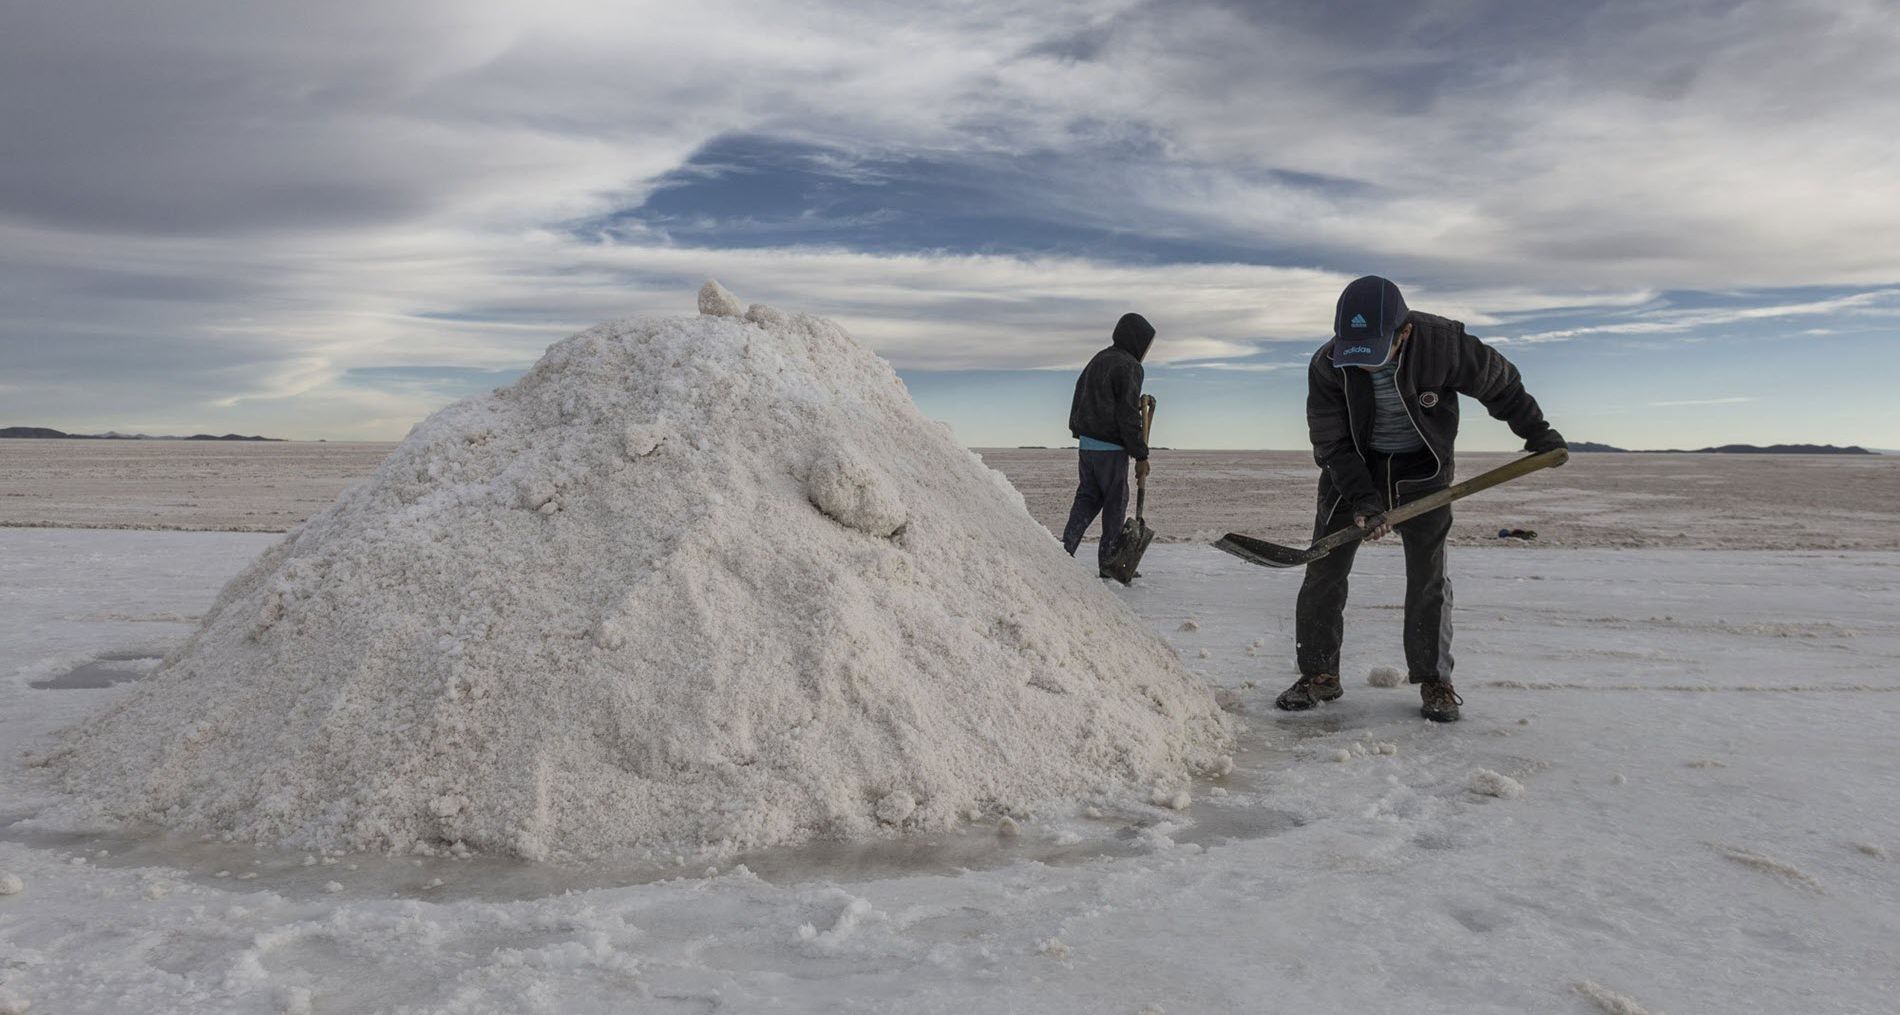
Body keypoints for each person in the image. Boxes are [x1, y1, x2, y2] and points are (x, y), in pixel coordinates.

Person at [1276, 276, 1566, 722]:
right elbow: (1331, 444)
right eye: (1357, 353)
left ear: (1404, 332)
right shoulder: (1327, 364)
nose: (1367, 366)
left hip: (1424, 473)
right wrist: (1362, 500)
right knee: (1323, 570)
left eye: (1377, 351)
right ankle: (1319, 675)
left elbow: (1501, 385)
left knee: (1428, 578)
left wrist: (1537, 432)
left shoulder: (1444, 344)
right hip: (1353, 470)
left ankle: (1434, 679)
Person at [1062, 312, 1154, 576]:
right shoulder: (1130, 366)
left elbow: (1079, 395)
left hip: (1088, 446)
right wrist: (1140, 455)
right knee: (1115, 501)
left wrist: (1079, 432)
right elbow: (1126, 415)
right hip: (1111, 449)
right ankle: (1109, 562)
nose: (1146, 350)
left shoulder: (1098, 359)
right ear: (1137, 340)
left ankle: (1065, 548)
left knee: (1088, 496)